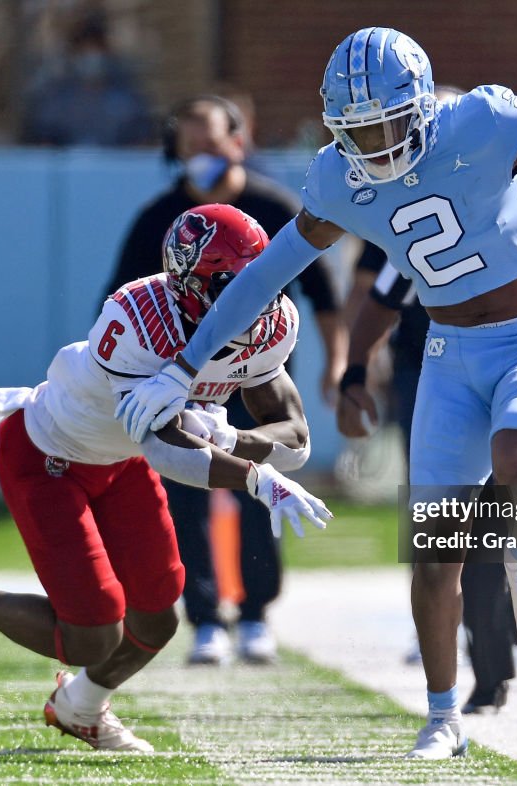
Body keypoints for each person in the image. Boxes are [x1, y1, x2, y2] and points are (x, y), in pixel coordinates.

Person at [119, 27, 517, 758]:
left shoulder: (480, 121)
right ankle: (441, 718)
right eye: (356, 127)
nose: (371, 140)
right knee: (435, 556)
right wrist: (186, 364)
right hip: (447, 355)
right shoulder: (339, 177)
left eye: (383, 121)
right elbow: (264, 277)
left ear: (421, 106)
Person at [0, 204, 330, 753]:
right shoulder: (139, 320)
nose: (252, 298)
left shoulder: (274, 323)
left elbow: (294, 436)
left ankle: (80, 707)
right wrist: (256, 479)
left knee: (156, 620)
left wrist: (231, 440)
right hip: (50, 459)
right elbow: (169, 450)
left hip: (120, 464)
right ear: (188, 285)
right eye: (231, 284)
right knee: (92, 634)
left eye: (259, 278)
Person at [338, 159, 517, 715]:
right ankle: (488, 681)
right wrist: (354, 371)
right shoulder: (438, 216)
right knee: (462, 548)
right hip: (463, 396)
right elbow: (381, 299)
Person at [104, 94, 347, 665]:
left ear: (239, 142)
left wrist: (337, 363)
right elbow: (116, 300)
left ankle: (257, 611)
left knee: (262, 478)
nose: (199, 159)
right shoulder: (156, 217)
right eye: (188, 148)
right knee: (187, 489)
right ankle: (207, 615)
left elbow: (324, 295)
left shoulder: (275, 206)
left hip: (252, 368)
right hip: (176, 375)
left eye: (209, 145)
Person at [22, 9, 153, 147]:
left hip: (115, 166)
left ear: (107, 51)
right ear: (74, 53)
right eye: (84, 49)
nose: (91, 55)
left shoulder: (128, 98)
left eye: (97, 48)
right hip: (64, 167)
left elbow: (141, 141)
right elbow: (41, 142)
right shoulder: (55, 99)